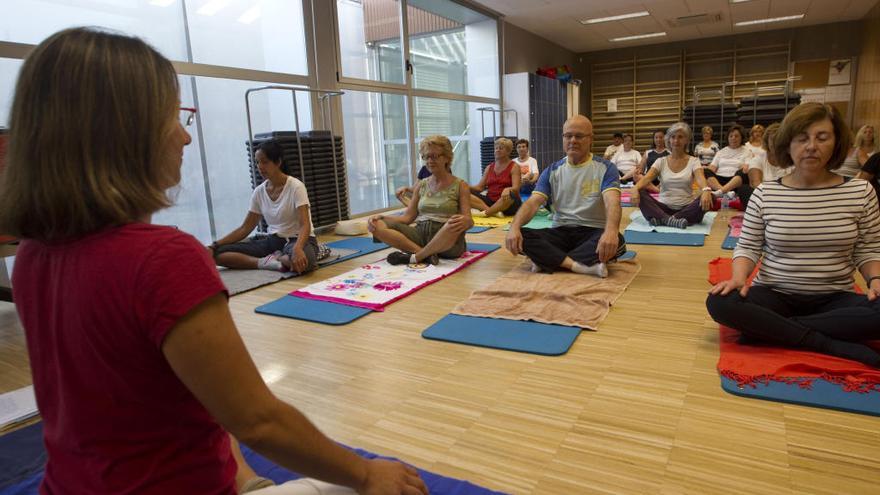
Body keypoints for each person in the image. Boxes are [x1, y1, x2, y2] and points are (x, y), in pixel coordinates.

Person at [0, 27, 427, 494]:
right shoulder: (161, 258)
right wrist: (366, 473)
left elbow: (192, 403)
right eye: (174, 117)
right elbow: (259, 421)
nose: (185, 136)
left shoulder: (32, 258)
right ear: (127, 133)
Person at [706, 102, 880, 367]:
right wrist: (739, 278)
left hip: (835, 298)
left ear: (837, 143)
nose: (811, 146)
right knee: (720, 302)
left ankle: (770, 331)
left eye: (822, 138)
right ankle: (826, 342)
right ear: (788, 144)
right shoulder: (765, 193)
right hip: (774, 295)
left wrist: (876, 279)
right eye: (802, 138)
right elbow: (749, 246)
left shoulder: (861, 192)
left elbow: (868, 248)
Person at [505, 115, 626, 278]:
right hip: (560, 231)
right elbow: (533, 203)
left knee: (617, 240)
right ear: (563, 138)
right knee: (521, 235)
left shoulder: (606, 168)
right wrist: (514, 227)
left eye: (579, 136)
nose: (573, 140)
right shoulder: (552, 170)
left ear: (591, 139)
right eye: (568, 136)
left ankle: (547, 259)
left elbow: (612, 202)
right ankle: (579, 266)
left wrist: (611, 231)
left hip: (593, 231)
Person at [210, 139, 318, 274]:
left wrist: (298, 248)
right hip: (273, 242)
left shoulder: (296, 186)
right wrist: (215, 245)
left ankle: (278, 259)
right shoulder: (259, 192)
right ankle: (265, 262)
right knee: (216, 255)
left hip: (298, 240)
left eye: (265, 162)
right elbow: (245, 228)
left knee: (304, 263)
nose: (260, 166)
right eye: (257, 162)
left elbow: (304, 224)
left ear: (278, 162)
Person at [369, 135, 473, 266]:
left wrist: (465, 221)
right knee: (377, 224)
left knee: (453, 223)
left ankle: (416, 257)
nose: (429, 161)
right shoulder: (421, 184)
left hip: (448, 242)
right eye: (426, 157)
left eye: (434, 156)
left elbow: (469, 221)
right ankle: (425, 255)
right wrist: (382, 217)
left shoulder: (460, 185)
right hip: (420, 236)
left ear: (447, 157)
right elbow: (407, 217)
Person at [630, 122, 713, 229]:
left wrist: (706, 190)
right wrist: (635, 188)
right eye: (673, 137)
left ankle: (663, 219)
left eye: (680, 137)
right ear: (669, 139)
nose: (676, 141)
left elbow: (700, 177)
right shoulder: (661, 161)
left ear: (686, 140)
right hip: (663, 207)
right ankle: (673, 220)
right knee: (640, 192)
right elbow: (646, 178)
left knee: (712, 196)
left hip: (686, 208)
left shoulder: (694, 161)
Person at [469, 137, 522, 217]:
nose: (497, 150)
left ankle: (486, 213)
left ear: (508, 151)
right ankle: (493, 211)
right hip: (490, 201)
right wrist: (464, 186)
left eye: (501, 148)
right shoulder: (489, 167)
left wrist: (508, 189)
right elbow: (480, 188)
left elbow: (516, 188)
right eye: (496, 148)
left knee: (511, 195)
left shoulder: (514, 166)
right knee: (464, 193)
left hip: (507, 203)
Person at [704, 124, 753, 206]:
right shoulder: (721, 152)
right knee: (705, 171)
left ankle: (721, 192)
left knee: (743, 172)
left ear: (741, 138)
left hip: (735, 181)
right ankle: (725, 192)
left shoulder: (747, 151)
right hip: (719, 181)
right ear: (728, 138)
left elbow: (746, 167)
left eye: (736, 136)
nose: (733, 138)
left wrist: (744, 167)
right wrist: (705, 170)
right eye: (731, 136)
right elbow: (712, 167)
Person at [747, 122, 791, 187]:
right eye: (773, 139)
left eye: (779, 138)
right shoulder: (757, 160)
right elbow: (755, 184)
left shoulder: (792, 160)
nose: (776, 142)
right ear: (767, 142)